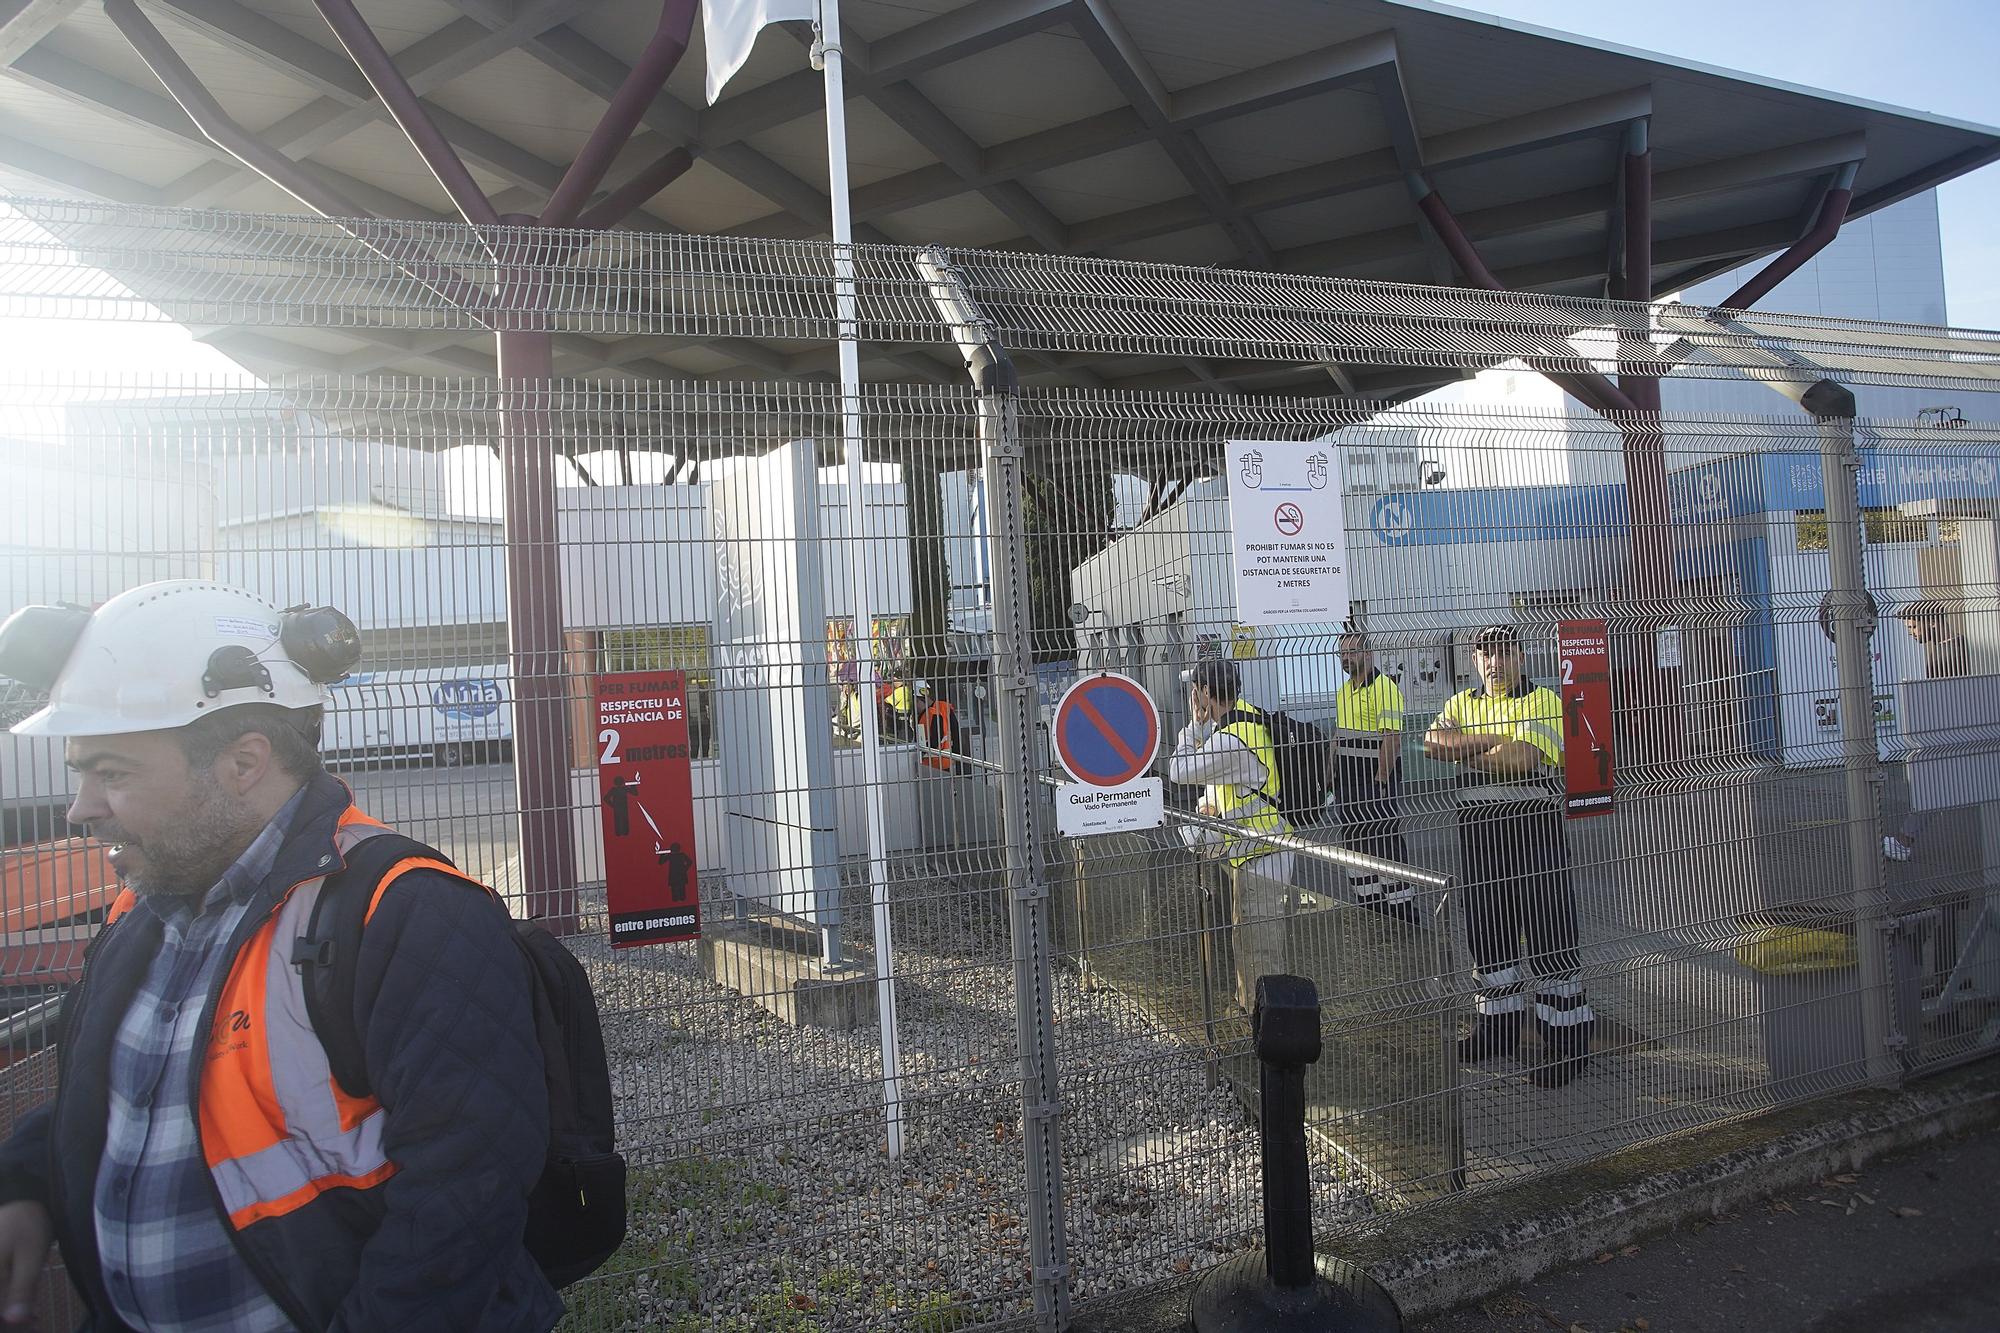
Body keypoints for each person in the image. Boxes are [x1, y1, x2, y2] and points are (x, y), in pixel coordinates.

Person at [0, 581, 561, 1331]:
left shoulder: (406, 912)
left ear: (243, 761)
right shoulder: (150, 905)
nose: (80, 808)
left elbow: (466, 1194)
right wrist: (25, 1181)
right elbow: (141, 1091)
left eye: (113, 772)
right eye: (81, 772)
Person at [1425, 624, 1594, 1088]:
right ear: (1475, 660)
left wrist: (1465, 749)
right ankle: (1497, 1031)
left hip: (1533, 835)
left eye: (1503, 652)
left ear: (1522, 656)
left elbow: (1520, 758)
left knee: (1549, 936)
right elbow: (1430, 745)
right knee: (1487, 935)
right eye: (1485, 655)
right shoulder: (1461, 702)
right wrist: (1489, 744)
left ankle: (1568, 1043)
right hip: (1479, 837)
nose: (1494, 663)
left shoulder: (1542, 702)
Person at [1168, 659, 1293, 1013]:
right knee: (1248, 942)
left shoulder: (1230, 740)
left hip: (1263, 856)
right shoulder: (1247, 719)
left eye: (1196, 690)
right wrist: (1210, 804)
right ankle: (1250, 1010)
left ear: (1206, 692)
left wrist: (1193, 724)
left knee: (1261, 951)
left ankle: (1269, 1027)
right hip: (1259, 851)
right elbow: (1224, 782)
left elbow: (1178, 770)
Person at [1333, 631, 1415, 921]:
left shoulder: (1384, 689)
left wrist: (1381, 780)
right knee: (1355, 841)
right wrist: (1331, 775)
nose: (1346, 658)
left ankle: (1401, 909)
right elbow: (1339, 736)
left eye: (1352, 652)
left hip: (1374, 780)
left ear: (1368, 655)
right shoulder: (1344, 691)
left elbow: (1391, 738)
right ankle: (1369, 904)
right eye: (1342, 654)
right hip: (1348, 781)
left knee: (1384, 839)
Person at [1884, 600, 1971, 862]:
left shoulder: (1948, 655)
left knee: (1933, 789)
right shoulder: (1955, 647)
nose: (1910, 632)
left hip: (1953, 733)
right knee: (1936, 789)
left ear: (1931, 621)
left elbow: (1949, 700)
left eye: (1913, 626)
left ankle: (1903, 842)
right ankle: (1903, 840)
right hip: (1955, 732)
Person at [915, 680, 962, 772]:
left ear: (919, 699)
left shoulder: (930, 714)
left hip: (932, 764)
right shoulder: (944, 707)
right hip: (946, 760)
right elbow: (956, 732)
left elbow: (936, 740)